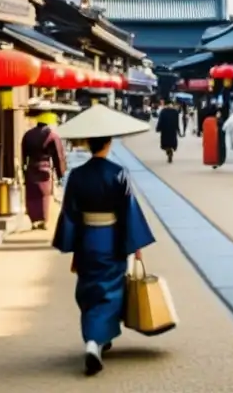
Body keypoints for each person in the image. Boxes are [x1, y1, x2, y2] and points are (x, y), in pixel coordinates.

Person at [52, 104, 157, 376]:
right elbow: (128, 212)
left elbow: (71, 214)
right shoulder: (118, 173)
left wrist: (74, 249)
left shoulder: (77, 175)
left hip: (87, 238)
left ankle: (97, 340)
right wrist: (135, 248)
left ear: (88, 143)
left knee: (89, 290)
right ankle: (94, 342)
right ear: (108, 144)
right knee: (109, 292)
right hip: (111, 238)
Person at [21, 102, 67, 230]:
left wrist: (23, 168)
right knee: (45, 195)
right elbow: (58, 156)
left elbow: (23, 154)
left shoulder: (28, 135)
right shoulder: (52, 136)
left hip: (31, 168)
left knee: (32, 195)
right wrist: (60, 174)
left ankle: (34, 220)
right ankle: (44, 220)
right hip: (45, 168)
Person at [155, 99, 181, 163]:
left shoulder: (163, 111)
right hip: (172, 130)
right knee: (172, 142)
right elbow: (177, 122)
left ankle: (168, 151)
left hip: (165, 129)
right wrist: (178, 129)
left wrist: (158, 128)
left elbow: (160, 121)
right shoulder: (175, 112)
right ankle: (170, 151)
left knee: (165, 143)